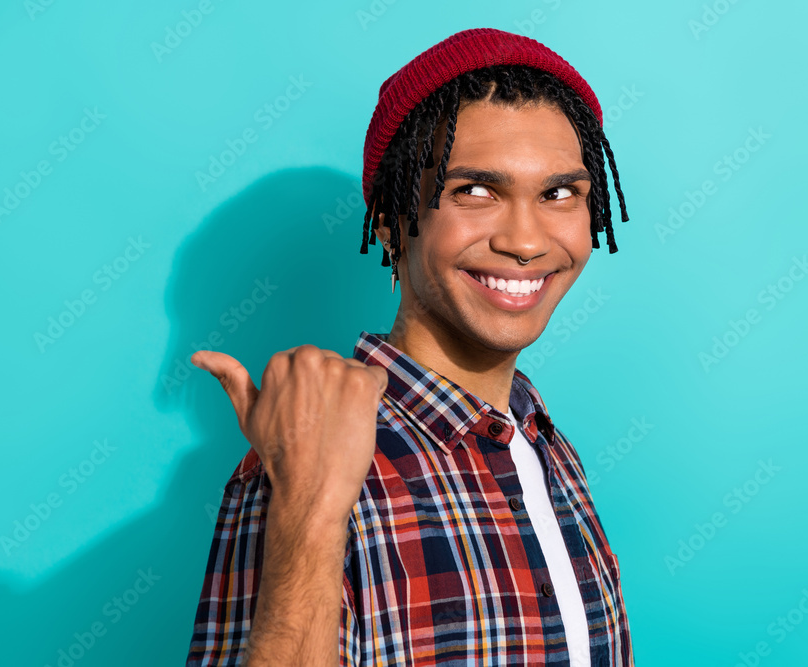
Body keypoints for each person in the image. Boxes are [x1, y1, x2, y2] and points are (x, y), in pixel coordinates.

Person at [186, 27, 634, 666]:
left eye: (558, 194)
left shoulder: (546, 445)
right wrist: (310, 509)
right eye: (474, 192)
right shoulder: (307, 459)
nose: (526, 240)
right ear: (393, 225)